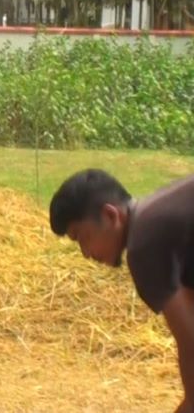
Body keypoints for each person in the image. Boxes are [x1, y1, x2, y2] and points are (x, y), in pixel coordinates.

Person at [49, 169, 194, 413]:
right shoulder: (161, 221)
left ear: (110, 215)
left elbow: (189, 338)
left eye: (82, 237)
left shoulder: (143, 245)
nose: (85, 253)